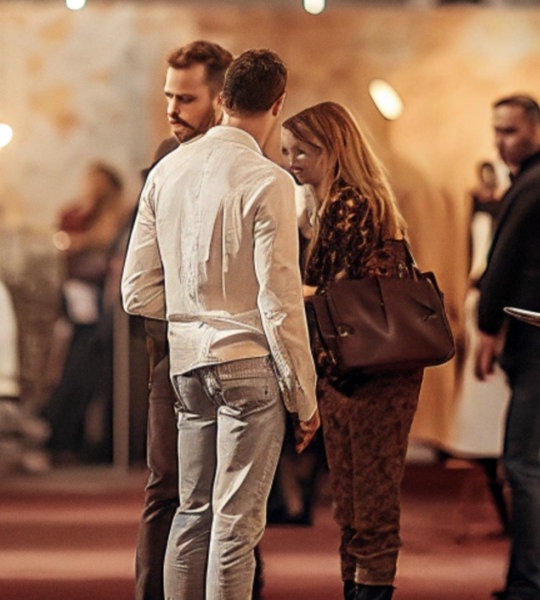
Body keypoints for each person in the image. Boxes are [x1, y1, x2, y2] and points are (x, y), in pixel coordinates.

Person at [121, 48, 321, 599]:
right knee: (235, 528)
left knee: (191, 514)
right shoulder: (270, 180)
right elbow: (280, 301)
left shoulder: (167, 169)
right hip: (249, 365)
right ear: (277, 105)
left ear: (224, 99)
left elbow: (135, 290)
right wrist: (304, 397)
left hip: (186, 365)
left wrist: (189, 317)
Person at [280, 101, 423, 600]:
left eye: (302, 150)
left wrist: (288, 290)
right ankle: (361, 589)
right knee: (361, 503)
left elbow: (335, 292)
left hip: (365, 370)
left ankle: (366, 592)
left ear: (332, 147)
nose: (291, 161)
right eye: (286, 151)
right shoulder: (344, 201)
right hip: (369, 366)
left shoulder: (348, 204)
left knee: (366, 504)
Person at [471, 94, 540, 600]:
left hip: (535, 339)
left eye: (511, 131)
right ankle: (534, 577)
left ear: (537, 128)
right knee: (524, 461)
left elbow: (502, 265)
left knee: (522, 463)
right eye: (496, 131)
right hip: (539, 339)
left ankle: (531, 582)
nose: (501, 141)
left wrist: (486, 329)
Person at [44, 163, 128, 463]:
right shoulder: (76, 214)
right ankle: (64, 437)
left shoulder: (119, 215)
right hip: (79, 298)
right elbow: (66, 243)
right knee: (76, 366)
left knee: (96, 371)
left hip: (105, 304)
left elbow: (103, 242)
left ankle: (86, 441)